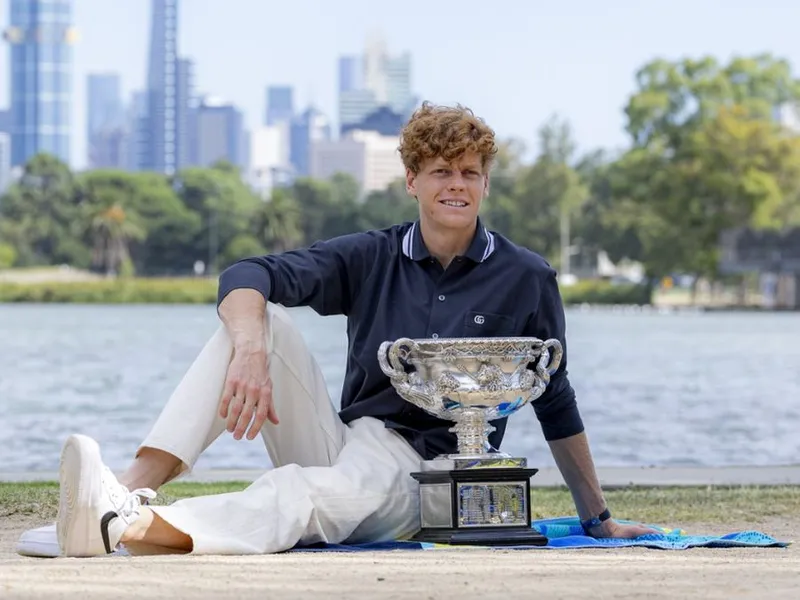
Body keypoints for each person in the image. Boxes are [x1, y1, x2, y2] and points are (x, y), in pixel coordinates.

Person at [18, 102, 654, 558]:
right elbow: (248, 271)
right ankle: (123, 493)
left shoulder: (527, 276)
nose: (455, 185)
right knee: (259, 316)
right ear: (412, 181)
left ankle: (120, 529)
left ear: (485, 182)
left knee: (300, 494)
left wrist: (596, 518)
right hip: (348, 440)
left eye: (468, 172)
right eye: (440, 171)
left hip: (427, 471)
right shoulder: (371, 255)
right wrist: (249, 351)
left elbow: (555, 394)